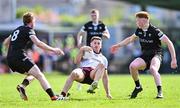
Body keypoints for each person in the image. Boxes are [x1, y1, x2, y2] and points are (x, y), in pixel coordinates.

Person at [110, 11, 177, 99]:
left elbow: (169, 42)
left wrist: (173, 59)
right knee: (132, 66)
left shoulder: (155, 31)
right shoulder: (139, 30)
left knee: (153, 69)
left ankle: (160, 92)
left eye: (138, 20)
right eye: (137, 20)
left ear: (145, 21)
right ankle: (138, 87)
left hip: (156, 54)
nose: (136, 22)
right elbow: (130, 39)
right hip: (145, 55)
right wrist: (118, 45)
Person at [3, 12, 64, 101]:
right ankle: (53, 96)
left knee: (34, 74)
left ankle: (22, 86)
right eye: (34, 21)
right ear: (31, 22)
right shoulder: (29, 30)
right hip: (19, 57)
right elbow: (38, 43)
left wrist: (10, 49)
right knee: (39, 74)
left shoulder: (17, 29)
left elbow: (5, 42)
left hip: (10, 59)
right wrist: (54, 50)